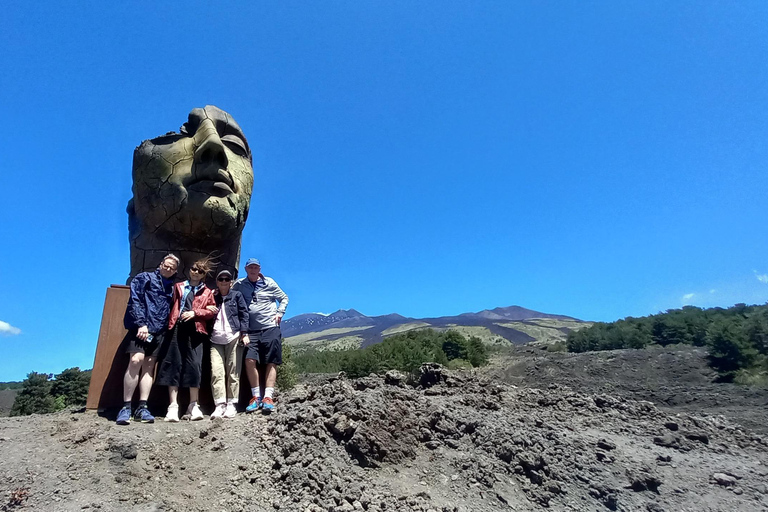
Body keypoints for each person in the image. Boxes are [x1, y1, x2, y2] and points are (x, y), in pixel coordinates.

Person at [117, 254, 180, 425]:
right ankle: (126, 407)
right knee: (136, 360)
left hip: (159, 331)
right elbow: (135, 300)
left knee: (149, 366)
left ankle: (142, 406)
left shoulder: (172, 288)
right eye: (166, 265)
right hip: (141, 329)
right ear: (161, 264)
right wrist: (141, 323)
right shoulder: (144, 278)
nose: (168, 269)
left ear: (175, 271)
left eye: (172, 268)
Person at [156, 257, 216, 421]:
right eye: (194, 269)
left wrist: (196, 313)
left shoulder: (207, 292)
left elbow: (212, 310)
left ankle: (193, 405)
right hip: (176, 327)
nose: (196, 272)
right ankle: (173, 406)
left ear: (204, 275)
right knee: (173, 364)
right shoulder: (179, 286)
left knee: (194, 366)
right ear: (189, 270)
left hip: (196, 330)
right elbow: (172, 304)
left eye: (200, 271)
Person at [233, 258, 289, 414]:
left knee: (272, 361)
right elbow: (229, 291)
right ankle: (256, 396)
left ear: (259, 269)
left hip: (270, 327)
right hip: (251, 330)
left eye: (255, 267)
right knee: (250, 360)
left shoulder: (269, 282)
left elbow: (284, 298)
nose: (253, 270)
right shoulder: (240, 284)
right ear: (246, 269)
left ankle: (268, 397)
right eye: (250, 267)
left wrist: (279, 313)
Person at [209, 269, 249, 419]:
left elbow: (244, 314)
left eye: (227, 279)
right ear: (217, 282)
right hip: (215, 338)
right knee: (216, 372)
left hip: (233, 336)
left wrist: (244, 333)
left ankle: (232, 404)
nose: (224, 282)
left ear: (230, 282)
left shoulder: (237, 296)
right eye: (221, 279)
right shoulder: (212, 296)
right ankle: (219, 405)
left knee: (233, 371)